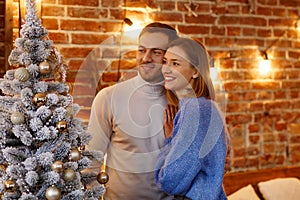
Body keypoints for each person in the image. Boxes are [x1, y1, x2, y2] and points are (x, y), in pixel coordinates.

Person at [87, 22, 178, 199]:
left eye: (156, 52)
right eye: (141, 50)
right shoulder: (108, 97)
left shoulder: (184, 102)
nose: (146, 58)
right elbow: (91, 163)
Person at [155, 37, 228, 200]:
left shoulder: (195, 109)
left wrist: (168, 141)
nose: (166, 69)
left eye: (176, 63)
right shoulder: (203, 107)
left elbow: (170, 181)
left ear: (195, 71)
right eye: (165, 62)